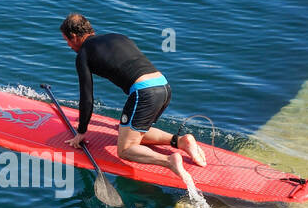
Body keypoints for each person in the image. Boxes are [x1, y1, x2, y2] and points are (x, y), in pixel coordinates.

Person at [58, 13, 207, 192]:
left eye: (66, 40)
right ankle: (181, 141)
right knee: (134, 132)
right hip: (164, 86)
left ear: (74, 36)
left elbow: (87, 97)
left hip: (145, 93)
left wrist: (81, 132)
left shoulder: (83, 54)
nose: (68, 45)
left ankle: (169, 161)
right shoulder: (118, 36)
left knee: (126, 149)